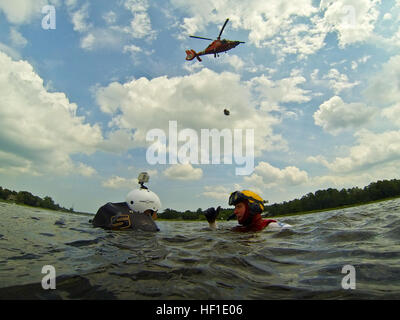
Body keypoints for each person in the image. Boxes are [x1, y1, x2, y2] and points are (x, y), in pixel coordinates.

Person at [204, 190, 291, 232]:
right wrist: (212, 223)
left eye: (239, 207)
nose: (235, 212)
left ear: (253, 207)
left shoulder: (272, 226)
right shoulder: (239, 229)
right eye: (235, 208)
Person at [91, 187, 161, 232]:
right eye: (156, 212)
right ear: (148, 210)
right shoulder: (148, 228)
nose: (156, 216)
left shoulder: (111, 212)